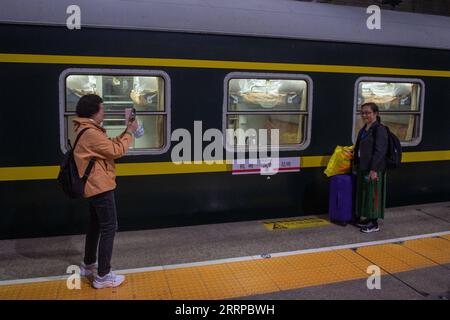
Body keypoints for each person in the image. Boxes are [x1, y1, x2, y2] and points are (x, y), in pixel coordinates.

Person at [72, 94, 138, 288]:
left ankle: (89, 264)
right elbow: (116, 152)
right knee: (109, 227)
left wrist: (126, 131)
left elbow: (108, 147)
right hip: (100, 186)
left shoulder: (88, 129)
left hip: (94, 186)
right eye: (102, 109)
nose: (104, 112)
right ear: (94, 111)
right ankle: (103, 275)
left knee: (95, 226)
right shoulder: (91, 132)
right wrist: (130, 133)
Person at [353, 102, 388, 233]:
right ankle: (368, 218)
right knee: (366, 193)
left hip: (374, 168)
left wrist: (374, 170)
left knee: (374, 194)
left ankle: (374, 224)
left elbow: (380, 151)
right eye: (363, 113)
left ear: (376, 114)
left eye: (368, 112)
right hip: (364, 166)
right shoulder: (365, 128)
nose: (364, 115)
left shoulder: (379, 129)